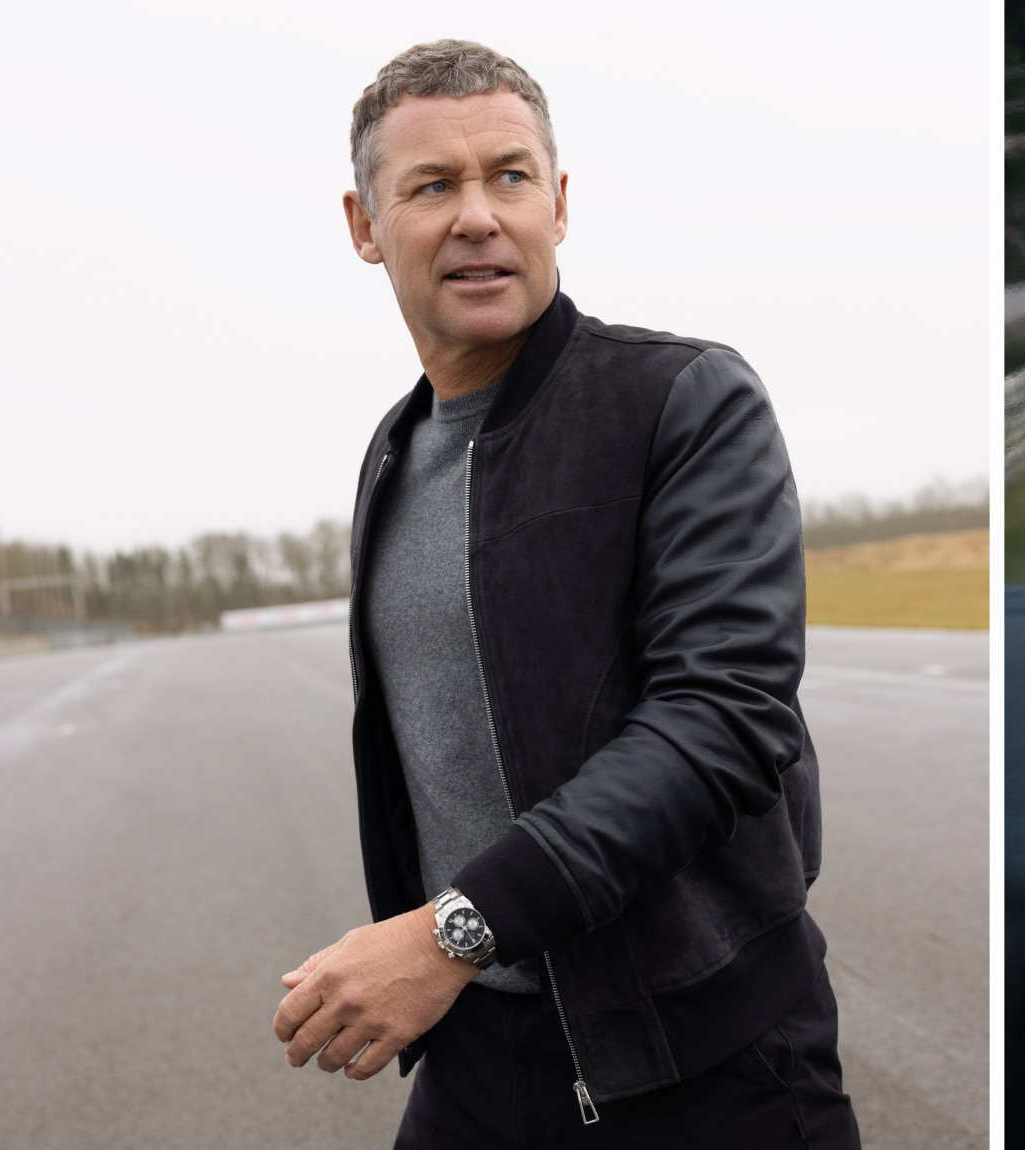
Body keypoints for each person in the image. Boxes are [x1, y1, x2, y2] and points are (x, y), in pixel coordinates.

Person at [269, 39, 859, 1148]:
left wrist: (448, 930)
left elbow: (720, 719)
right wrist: (459, 957)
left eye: (509, 175)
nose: (478, 215)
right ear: (363, 225)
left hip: (707, 1059)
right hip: (479, 1052)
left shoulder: (683, 399)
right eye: (431, 186)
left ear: (559, 201)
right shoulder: (390, 456)